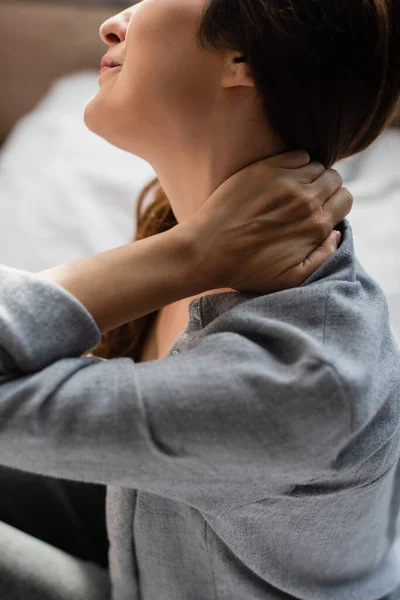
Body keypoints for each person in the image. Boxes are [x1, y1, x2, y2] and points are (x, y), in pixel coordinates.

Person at [0, 2, 399, 600]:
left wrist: (187, 256)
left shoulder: (292, 378)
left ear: (243, 60)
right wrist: (191, 249)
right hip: (140, 534)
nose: (113, 22)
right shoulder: (207, 230)